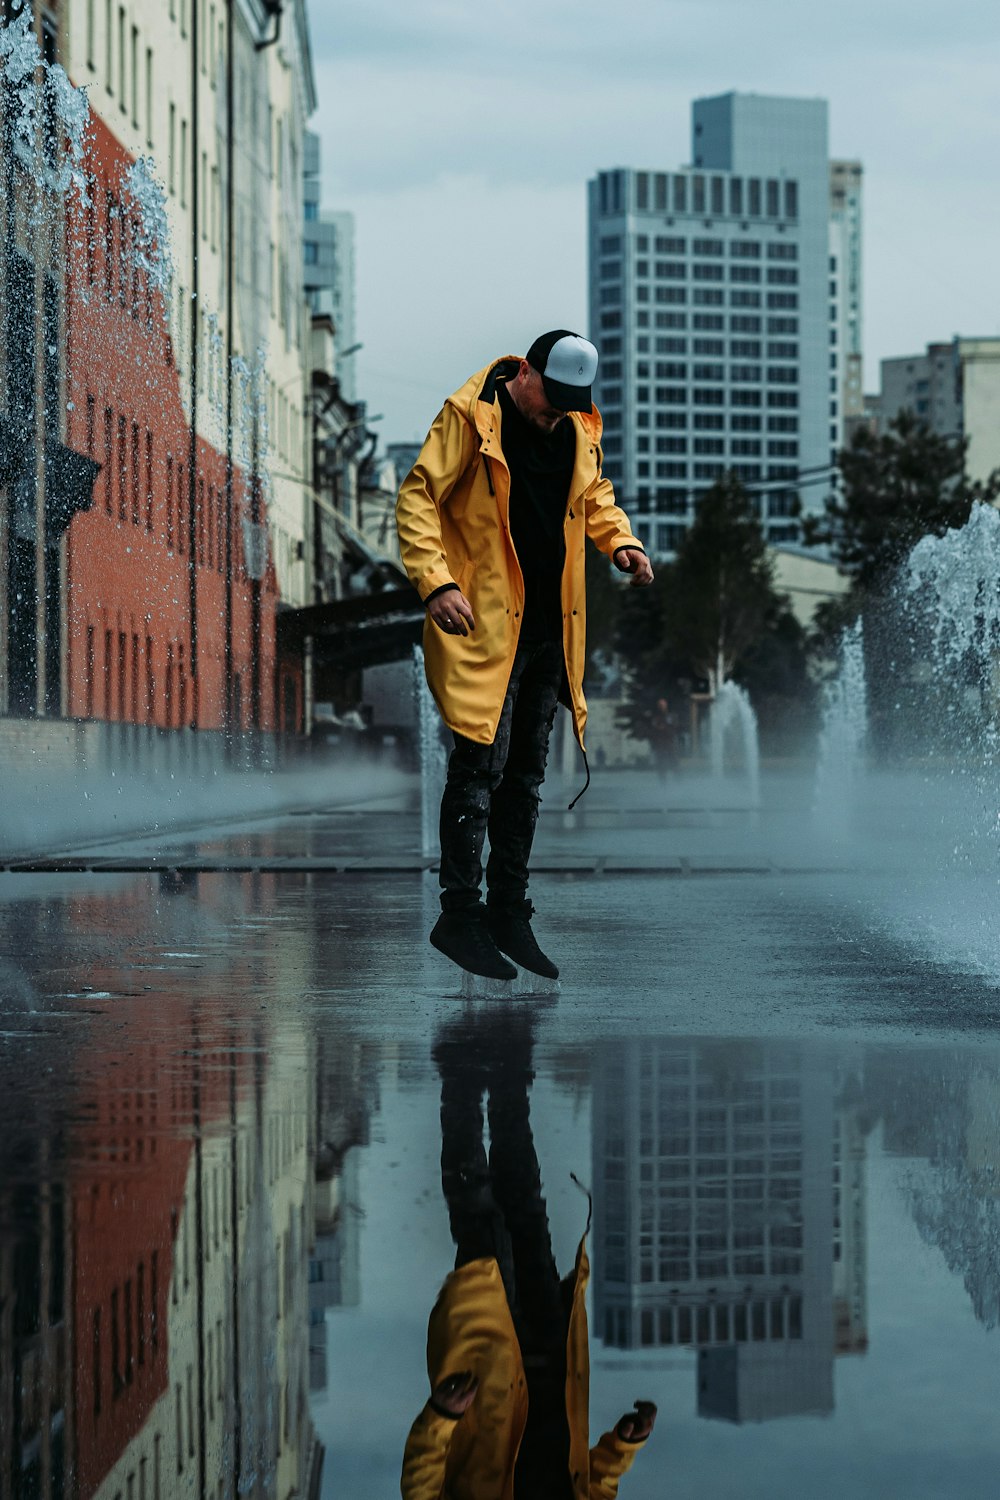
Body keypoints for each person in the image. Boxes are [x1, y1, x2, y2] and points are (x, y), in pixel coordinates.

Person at [397, 331, 654, 980]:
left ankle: (510, 911)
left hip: (550, 630)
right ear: (528, 373)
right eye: (552, 398)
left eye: (573, 402)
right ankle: (459, 914)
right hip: (485, 627)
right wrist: (437, 582)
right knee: (478, 769)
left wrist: (619, 541)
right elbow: (418, 498)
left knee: (527, 778)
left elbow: (595, 496)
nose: (557, 412)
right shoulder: (470, 417)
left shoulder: (575, 428)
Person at [401, 1011, 657, 1498]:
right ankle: (508, 1076)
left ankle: (460, 1079)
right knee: (524, 1201)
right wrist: (623, 1448)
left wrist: (441, 1417)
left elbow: (419, 1490)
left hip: (489, 1366)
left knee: (482, 1221)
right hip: (552, 1351)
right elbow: (595, 1489)